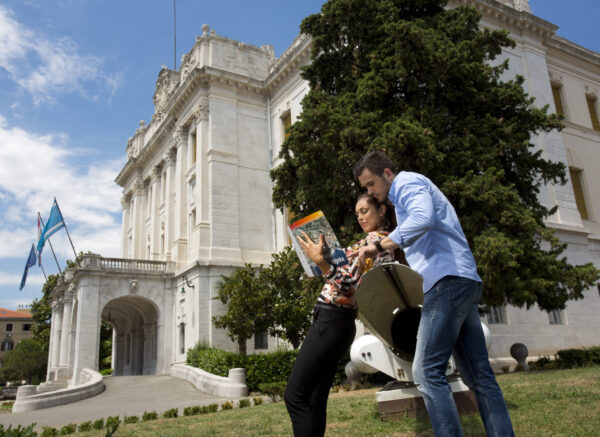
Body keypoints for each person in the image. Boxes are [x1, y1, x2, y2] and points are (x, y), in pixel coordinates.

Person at [350, 151, 514, 437]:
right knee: (478, 375)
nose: (371, 192)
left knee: (426, 372)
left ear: (387, 173)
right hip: (462, 280)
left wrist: (377, 246)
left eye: (371, 184)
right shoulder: (406, 193)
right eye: (366, 187)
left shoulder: (407, 184)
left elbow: (422, 218)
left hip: (446, 282)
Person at [284, 194, 400, 437]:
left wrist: (323, 265)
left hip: (332, 320)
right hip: (339, 322)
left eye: (365, 211)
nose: (360, 217)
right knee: (315, 399)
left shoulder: (376, 243)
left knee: (295, 396)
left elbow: (350, 286)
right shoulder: (378, 243)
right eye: (357, 213)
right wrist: (322, 261)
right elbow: (355, 284)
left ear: (381, 211)